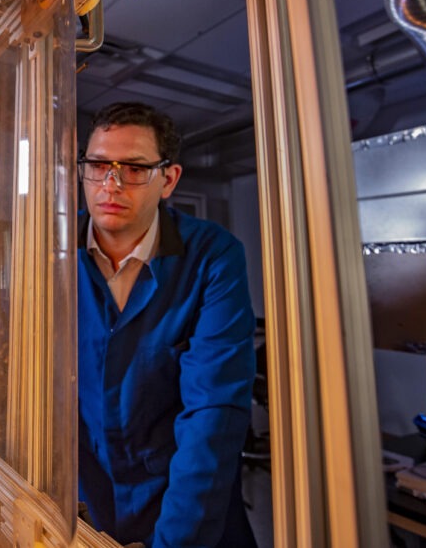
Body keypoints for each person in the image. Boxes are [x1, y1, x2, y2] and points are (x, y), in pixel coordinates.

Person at [76, 102, 258, 548]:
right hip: (83, 503)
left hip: (184, 505)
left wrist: (175, 541)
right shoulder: (48, 250)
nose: (110, 185)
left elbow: (212, 413)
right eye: (98, 166)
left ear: (169, 180)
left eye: (134, 169)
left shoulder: (213, 256)